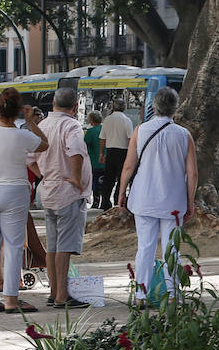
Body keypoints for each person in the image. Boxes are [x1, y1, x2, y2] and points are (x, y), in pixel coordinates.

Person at [0, 88, 47, 314]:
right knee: (13, 246)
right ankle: (12, 299)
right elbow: (44, 144)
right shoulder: (22, 135)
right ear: (16, 112)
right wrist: (30, 120)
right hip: (14, 191)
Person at [117, 86, 197, 300]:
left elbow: (128, 167)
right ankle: (172, 293)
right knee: (173, 248)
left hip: (143, 198)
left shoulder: (140, 130)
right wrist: (190, 202)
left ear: (154, 106)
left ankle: (140, 295)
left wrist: (122, 192)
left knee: (145, 247)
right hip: (173, 201)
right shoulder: (184, 135)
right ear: (175, 108)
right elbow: (193, 174)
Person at [31, 87, 93, 309]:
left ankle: (53, 291)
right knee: (64, 248)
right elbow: (75, 151)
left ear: (53, 104)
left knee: (54, 246)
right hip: (67, 192)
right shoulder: (71, 125)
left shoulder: (42, 126)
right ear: (75, 107)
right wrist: (76, 179)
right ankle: (61, 295)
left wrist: (44, 176)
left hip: (49, 190)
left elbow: (30, 159)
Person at [98, 99, 133, 209]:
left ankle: (105, 202)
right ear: (124, 107)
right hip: (123, 152)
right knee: (122, 178)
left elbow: (102, 139)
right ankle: (118, 200)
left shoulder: (107, 120)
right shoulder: (126, 120)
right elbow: (130, 138)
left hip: (110, 151)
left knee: (109, 178)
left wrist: (101, 154)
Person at [83, 110, 105, 208]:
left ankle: (96, 201)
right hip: (106, 161)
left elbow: (84, 145)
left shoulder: (90, 132)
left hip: (94, 162)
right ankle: (104, 201)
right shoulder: (105, 129)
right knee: (104, 183)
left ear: (91, 120)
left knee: (95, 183)